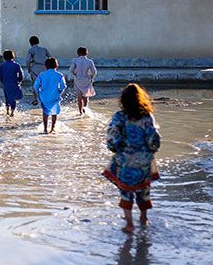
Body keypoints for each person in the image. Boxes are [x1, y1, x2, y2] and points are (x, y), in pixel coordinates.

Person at [103, 83, 161, 233]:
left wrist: (115, 149)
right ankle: (143, 217)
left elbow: (112, 138)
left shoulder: (119, 117)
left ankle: (129, 223)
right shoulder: (147, 117)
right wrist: (150, 151)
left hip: (125, 161)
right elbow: (154, 138)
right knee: (144, 192)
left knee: (126, 193)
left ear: (123, 100)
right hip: (144, 161)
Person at [33, 57, 67, 134]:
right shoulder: (59, 75)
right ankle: (52, 128)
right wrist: (59, 91)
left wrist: (38, 93)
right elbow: (63, 86)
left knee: (45, 112)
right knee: (54, 113)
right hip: (55, 96)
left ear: (46, 66)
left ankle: (45, 129)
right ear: (56, 66)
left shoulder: (42, 74)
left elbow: (36, 86)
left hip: (44, 96)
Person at [69, 46, 97, 115]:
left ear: (78, 53)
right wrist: (91, 78)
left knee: (79, 96)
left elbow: (71, 70)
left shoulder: (75, 60)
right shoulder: (90, 61)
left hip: (78, 80)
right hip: (86, 80)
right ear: (86, 53)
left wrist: (75, 75)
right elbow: (94, 71)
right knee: (86, 96)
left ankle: (80, 112)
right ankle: (85, 108)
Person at [26, 36, 51, 105]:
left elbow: (28, 61)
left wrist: (28, 68)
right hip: (44, 67)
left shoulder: (31, 50)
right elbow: (50, 57)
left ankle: (35, 99)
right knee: (45, 83)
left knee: (35, 84)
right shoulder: (44, 49)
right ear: (38, 42)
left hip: (35, 68)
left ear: (30, 43)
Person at [0, 49, 24, 117]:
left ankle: (7, 111)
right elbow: (21, 75)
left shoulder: (2, 65)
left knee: (7, 98)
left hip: (6, 84)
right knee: (13, 99)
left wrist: (3, 82)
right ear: (13, 56)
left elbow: (0, 76)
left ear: (4, 57)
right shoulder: (16, 65)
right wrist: (19, 81)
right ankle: (12, 112)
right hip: (14, 84)